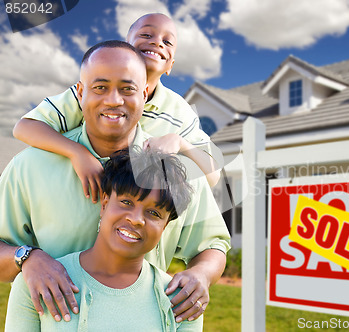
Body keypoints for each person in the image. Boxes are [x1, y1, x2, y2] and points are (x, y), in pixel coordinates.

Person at [0, 41, 230, 324]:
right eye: (100, 87)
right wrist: (27, 258)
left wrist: (201, 275)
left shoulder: (176, 173)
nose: (114, 100)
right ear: (80, 92)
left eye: (127, 89)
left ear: (144, 94)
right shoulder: (30, 166)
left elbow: (213, 244)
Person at [13, 13, 221, 204]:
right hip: (77, 198)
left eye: (167, 42)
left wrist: (180, 143)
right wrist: (77, 153)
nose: (157, 42)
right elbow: (25, 127)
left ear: (171, 66)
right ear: (125, 47)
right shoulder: (91, 94)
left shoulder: (179, 111)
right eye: (146, 34)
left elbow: (212, 176)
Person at [5, 148, 201, 332]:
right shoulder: (38, 282)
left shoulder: (182, 300)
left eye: (153, 213)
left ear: (164, 227)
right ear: (105, 204)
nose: (136, 219)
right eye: (126, 202)